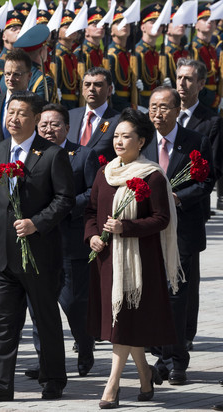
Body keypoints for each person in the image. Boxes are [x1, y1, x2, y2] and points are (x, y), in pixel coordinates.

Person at [0, 91, 74, 403]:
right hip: (2, 255)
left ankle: (53, 379)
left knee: (45, 319)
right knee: (1, 322)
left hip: (39, 254)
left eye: (21, 113)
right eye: (10, 112)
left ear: (36, 119)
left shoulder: (52, 155)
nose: (13, 119)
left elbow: (65, 199)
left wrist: (36, 223)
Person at [85, 108, 179, 408]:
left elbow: (161, 219)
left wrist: (126, 227)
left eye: (127, 136)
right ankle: (145, 376)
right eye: (116, 136)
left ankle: (111, 385)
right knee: (125, 324)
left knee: (123, 323)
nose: (119, 141)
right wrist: (93, 236)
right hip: (107, 259)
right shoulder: (105, 173)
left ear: (141, 142)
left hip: (141, 262)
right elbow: (90, 213)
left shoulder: (151, 175)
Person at [142, 87, 215, 386]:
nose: (157, 113)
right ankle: (161, 352)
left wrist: (176, 198)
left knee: (178, 296)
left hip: (182, 230)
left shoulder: (195, 141)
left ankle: (174, 361)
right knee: (154, 294)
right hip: (149, 230)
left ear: (176, 110)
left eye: (164, 107)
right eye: (153, 107)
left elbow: (206, 182)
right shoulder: (142, 142)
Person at [38, 103, 100, 377]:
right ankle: (46, 361)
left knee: (74, 303)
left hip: (71, 241)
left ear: (66, 127)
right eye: (43, 125)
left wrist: (64, 205)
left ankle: (85, 346)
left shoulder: (83, 155)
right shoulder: (33, 155)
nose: (48, 130)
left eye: (54, 125)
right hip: (40, 239)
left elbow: (93, 193)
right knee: (40, 304)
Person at [176, 59, 223, 345]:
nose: (182, 84)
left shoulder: (211, 121)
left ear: (201, 84)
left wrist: (180, 196)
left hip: (190, 208)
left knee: (187, 279)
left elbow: (213, 169)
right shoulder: (164, 114)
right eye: (179, 78)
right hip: (155, 208)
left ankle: (185, 335)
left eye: (189, 79)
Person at [66, 67, 120, 161]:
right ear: (82, 89)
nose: (91, 89)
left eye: (98, 85)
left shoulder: (118, 120)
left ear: (109, 90)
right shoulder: (70, 116)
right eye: (87, 84)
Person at [0, 49, 32, 142]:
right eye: (7, 74)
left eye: (16, 74)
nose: (10, 79)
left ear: (29, 76)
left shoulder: (37, 104)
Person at [104, 5, 132, 112]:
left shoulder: (127, 54)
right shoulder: (111, 55)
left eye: (126, 22)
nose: (124, 25)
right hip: (118, 108)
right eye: (118, 22)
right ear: (111, 31)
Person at [135, 4, 163, 109]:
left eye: (159, 23)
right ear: (143, 27)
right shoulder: (137, 53)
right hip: (141, 103)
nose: (156, 26)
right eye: (152, 22)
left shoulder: (156, 53)